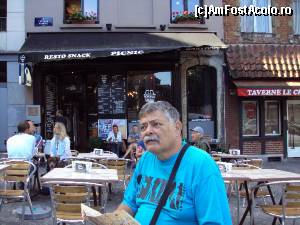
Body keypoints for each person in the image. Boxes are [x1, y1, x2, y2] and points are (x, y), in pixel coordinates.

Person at [117, 101, 231, 225]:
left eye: (156, 124)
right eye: (143, 127)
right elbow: (129, 203)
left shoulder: (201, 164)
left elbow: (214, 222)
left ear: (177, 127)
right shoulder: (146, 159)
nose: (147, 131)